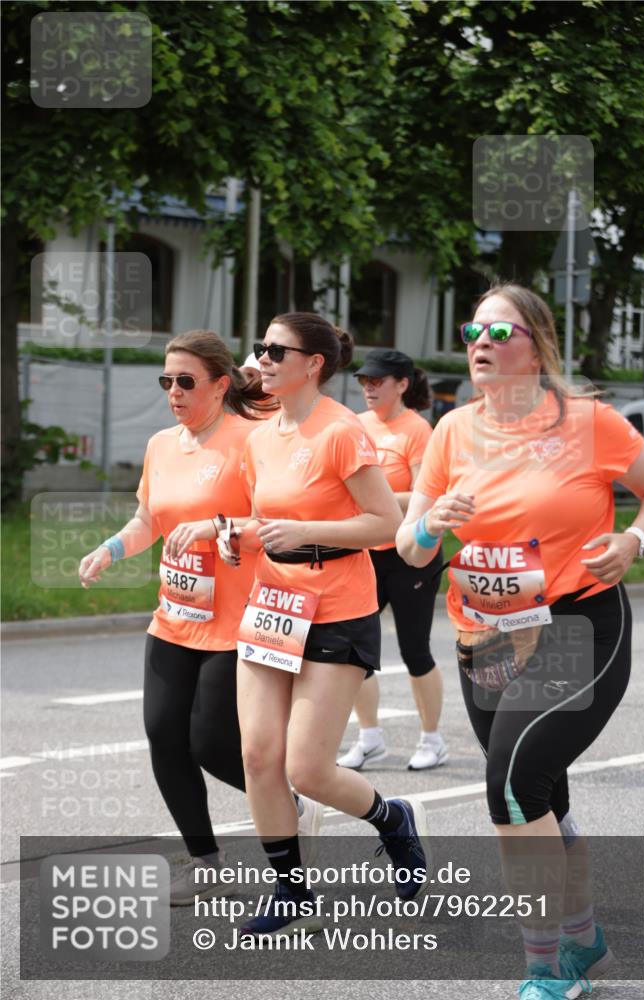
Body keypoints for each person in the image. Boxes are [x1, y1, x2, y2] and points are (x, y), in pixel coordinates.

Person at [396, 285, 644, 999]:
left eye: (499, 330)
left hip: (575, 625)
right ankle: (583, 940)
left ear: (536, 344)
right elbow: (411, 547)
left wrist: (633, 538)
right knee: (541, 791)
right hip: (483, 636)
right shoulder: (451, 430)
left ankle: (544, 967)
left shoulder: (588, 422)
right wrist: (431, 522)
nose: (480, 342)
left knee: (511, 787)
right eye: (471, 329)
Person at [78, 330, 320, 905]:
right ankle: (204, 859)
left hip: (241, 619)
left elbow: (277, 522)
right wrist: (110, 549)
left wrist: (223, 531)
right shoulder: (163, 445)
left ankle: (289, 805)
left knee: (212, 742)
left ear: (220, 384)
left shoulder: (254, 441)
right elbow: (147, 520)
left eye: (186, 381)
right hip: (175, 616)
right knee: (164, 735)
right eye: (166, 381)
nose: (174, 392)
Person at [219, 312, 431, 937]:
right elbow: (266, 518)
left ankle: (391, 818)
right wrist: (241, 539)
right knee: (259, 755)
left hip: (338, 604)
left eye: (275, 350)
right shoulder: (260, 433)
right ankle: (290, 887)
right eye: (259, 347)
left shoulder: (340, 432)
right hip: (273, 603)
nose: (261, 358)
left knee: (306, 769)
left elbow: (387, 523)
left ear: (313, 363)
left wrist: (307, 532)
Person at [337, 348, 448, 771]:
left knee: (414, 649)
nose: (368, 388)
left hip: (412, 554)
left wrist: (375, 498)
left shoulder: (418, 430)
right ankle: (369, 738)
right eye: (364, 381)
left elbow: (426, 494)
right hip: (368, 550)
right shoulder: (356, 425)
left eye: (378, 381)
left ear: (401, 384)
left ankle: (433, 740)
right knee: (355, 648)